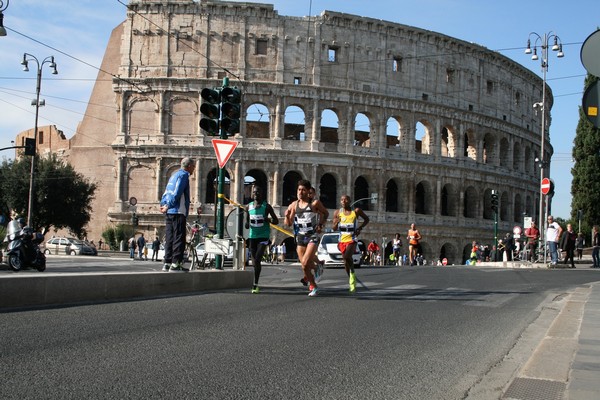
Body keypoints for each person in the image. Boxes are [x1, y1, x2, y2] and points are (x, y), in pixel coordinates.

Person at [284, 179, 328, 297]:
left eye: (303, 190)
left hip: (312, 236)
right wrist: (287, 216)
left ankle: (313, 285)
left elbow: (325, 213)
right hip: (300, 236)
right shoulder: (294, 205)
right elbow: (288, 223)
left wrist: (320, 225)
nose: (300, 192)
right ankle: (314, 284)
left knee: (304, 262)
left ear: (308, 191)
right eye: (299, 189)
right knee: (305, 265)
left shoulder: (314, 204)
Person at [160, 157, 195, 272]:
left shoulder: (173, 175)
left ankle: (167, 263)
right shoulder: (184, 175)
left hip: (169, 211)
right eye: (193, 167)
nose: (194, 169)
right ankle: (176, 264)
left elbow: (167, 192)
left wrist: (164, 205)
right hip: (178, 211)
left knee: (169, 237)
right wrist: (169, 205)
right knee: (179, 238)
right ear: (189, 166)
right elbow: (177, 193)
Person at [245, 186, 279, 294]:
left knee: (258, 258)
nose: (256, 194)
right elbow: (246, 222)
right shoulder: (248, 207)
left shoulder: (267, 207)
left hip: (263, 236)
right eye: (254, 192)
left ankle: (255, 284)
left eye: (258, 192)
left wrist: (268, 219)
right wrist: (246, 224)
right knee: (254, 262)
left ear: (262, 194)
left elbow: (276, 221)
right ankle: (256, 280)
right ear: (252, 194)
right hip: (252, 236)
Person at [332, 195, 370, 293]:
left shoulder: (356, 211)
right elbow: (334, 228)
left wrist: (360, 228)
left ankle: (352, 275)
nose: (343, 201)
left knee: (346, 257)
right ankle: (351, 276)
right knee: (346, 261)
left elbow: (367, 219)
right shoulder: (337, 213)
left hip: (352, 239)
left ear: (350, 201)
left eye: (346, 199)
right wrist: (336, 223)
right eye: (341, 199)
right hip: (342, 240)